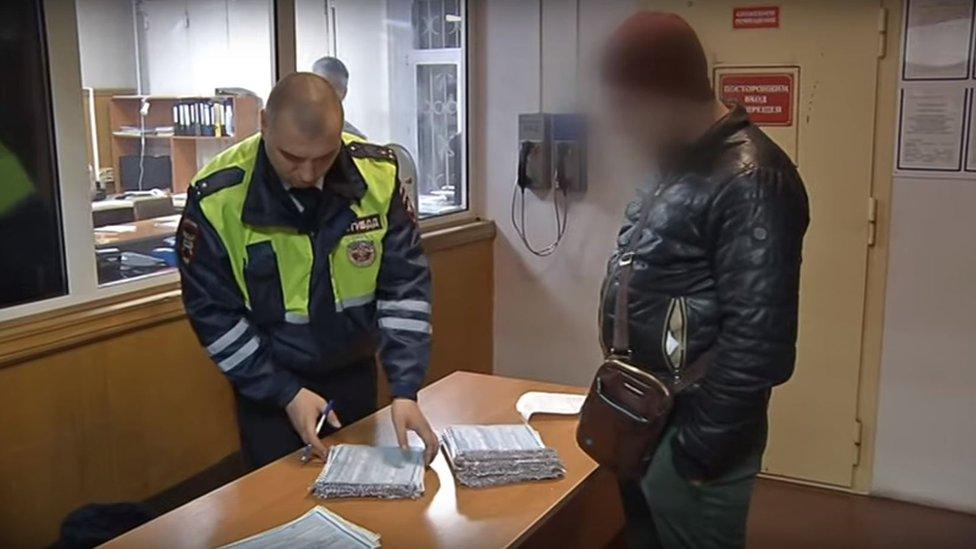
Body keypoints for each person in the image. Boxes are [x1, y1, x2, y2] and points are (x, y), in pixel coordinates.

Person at [598, 12, 809, 549]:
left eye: (627, 106)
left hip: (691, 443)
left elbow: (758, 346)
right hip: (643, 421)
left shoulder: (753, 178)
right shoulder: (675, 163)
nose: (620, 123)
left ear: (665, 94)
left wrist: (694, 456)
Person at [177, 72, 439, 469]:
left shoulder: (378, 176)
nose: (307, 173)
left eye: (324, 157)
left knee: (366, 500)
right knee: (278, 511)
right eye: (292, 157)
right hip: (268, 384)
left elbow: (404, 290)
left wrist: (405, 389)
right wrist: (284, 393)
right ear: (264, 123)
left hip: (353, 372)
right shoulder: (218, 197)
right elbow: (213, 314)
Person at [312, 56, 367, 140]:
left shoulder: (355, 140)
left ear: (344, 93)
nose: (327, 93)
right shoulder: (290, 127)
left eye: (335, 88)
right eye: (321, 85)